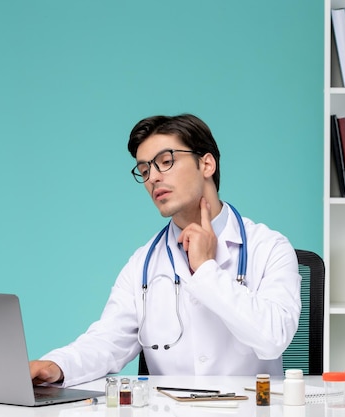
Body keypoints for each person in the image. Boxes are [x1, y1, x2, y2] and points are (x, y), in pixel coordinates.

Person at [30, 114, 300, 387]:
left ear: (206, 164)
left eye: (166, 161)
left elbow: (273, 338)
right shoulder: (143, 264)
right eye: (145, 170)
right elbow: (108, 341)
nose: (153, 178)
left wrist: (206, 269)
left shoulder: (269, 248)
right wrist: (56, 366)